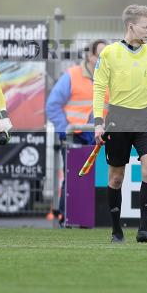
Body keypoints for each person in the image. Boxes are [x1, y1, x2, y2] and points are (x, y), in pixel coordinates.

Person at [93, 5, 147, 243]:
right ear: (131, 26)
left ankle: (144, 229)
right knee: (116, 177)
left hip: (146, 118)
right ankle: (116, 230)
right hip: (118, 118)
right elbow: (99, 88)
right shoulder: (110, 53)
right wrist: (97, 122)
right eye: (146, 26)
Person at [46, 38, 106, 224]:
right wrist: (65, 130)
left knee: (99, 178)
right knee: (74, 177)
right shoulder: (72, 75)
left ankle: (90, 218)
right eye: (99, 55)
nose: (103, 60)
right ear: (90, 56)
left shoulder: (111, 78)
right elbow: (52, 105)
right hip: (76, 134)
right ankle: (69, 217)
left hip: (101, 136)